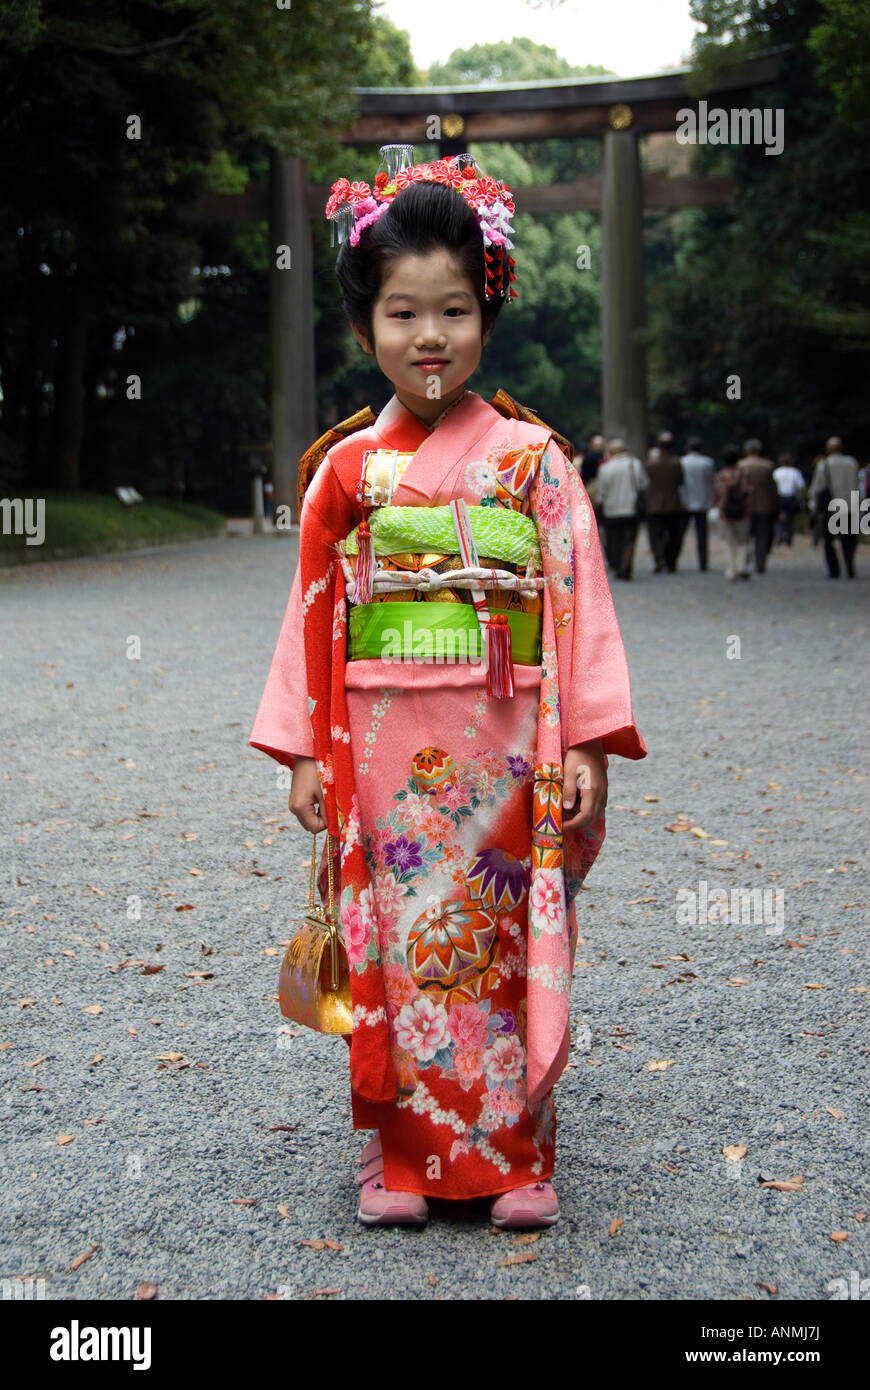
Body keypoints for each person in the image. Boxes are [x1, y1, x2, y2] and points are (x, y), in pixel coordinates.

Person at [248, 149, 647, 1232]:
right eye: (402, 313)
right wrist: (300, 751)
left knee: (501, 933)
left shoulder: (534, 461)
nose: (431, 336)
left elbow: (577, 603)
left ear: (490, 308)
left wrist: (588, 741)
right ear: (366, 326)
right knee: (391, 934)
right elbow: (312, 612)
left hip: (508, 736)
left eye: (456, 311)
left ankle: (516, 1151)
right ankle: (399, 1153)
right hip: (379, 738)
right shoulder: (344, 471)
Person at [596, 437, 649, 580]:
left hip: (611, 510)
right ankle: (626, 565)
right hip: (631, 508)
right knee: (629, 540)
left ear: (612, 451)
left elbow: (601, 493)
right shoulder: (635, 464)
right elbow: (643, 485)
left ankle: (617, 565)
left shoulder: (605, 468)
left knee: (613, 540)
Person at [809, 436, 860, 578]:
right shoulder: (851, 463)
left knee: (829, 541)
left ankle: (834, 569)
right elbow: (857, 486)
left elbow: (817, 489)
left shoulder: (823, 465)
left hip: (830, 508)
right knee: (849, 539)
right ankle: (849, 564)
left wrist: (814, 509)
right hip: (849, 507)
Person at [737, 438, 779, 573]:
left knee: (744, 536)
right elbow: (772, 488)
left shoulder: (741, 465)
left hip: (745, 505)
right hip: (764, 505)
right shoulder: (767, 466)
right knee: (762, 536)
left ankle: (743, 561)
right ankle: (760, 563)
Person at [645, 440, 686, 572]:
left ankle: (659, 558)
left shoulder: (651, 464)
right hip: (673, 502)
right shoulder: (676, 463)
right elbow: (681, 481)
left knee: (655, 534)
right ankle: (670, 560)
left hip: (654, 503)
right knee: (674, 534)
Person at [713, 443, 752, 580]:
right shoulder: (743, 474)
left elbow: (718, 494)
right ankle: (742, 566)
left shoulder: (721, 475)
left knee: (729, 542)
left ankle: (731, 569)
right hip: (743, 510)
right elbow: (747, 491)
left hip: (725, 512)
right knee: (743, 541)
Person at [679, 435, 715, 570]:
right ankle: (703, 562)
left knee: (680, 533)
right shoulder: (708, 462)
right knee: (702, 535)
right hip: (702, 501)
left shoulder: (682, 461)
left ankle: (673, 559)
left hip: (685, 501)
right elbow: (710, 483)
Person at [772, 452, 804, 546]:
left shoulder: (777, 472)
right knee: (790, 518)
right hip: (791, 497)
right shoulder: (795, 472)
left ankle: (779, 534)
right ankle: (788, 536)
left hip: (780, 496)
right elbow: (800, 485)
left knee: (778, 517)